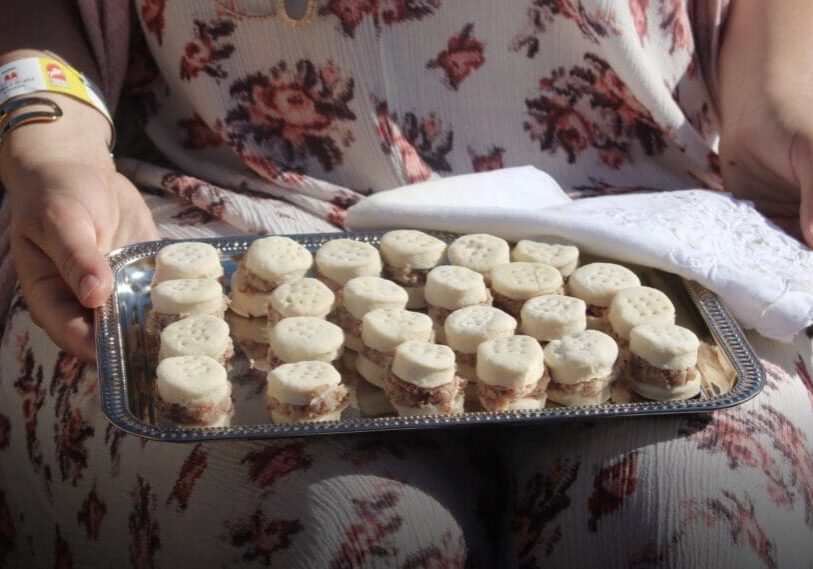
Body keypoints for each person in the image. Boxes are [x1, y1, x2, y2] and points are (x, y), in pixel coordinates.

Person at [0, 0, 811, 567]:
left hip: (630, 236)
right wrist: (55, 151)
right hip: (220, 228)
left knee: (695, 511)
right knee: (341, 532)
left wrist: (784, 118)